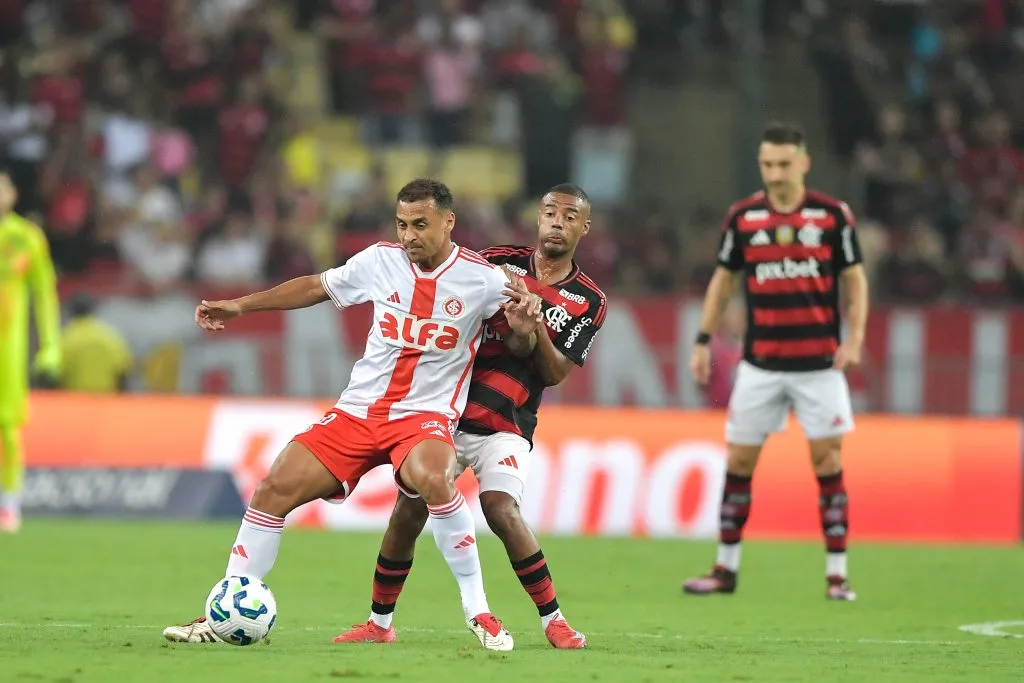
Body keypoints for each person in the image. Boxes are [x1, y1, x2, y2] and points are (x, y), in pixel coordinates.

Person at [162, 178, 538, 650]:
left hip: (423, 418)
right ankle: (224, 614)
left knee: (437, 481)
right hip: (358, 411)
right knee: (272, 488)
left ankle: (478, 610)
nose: (409, 236)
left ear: (449, 222)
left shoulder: (484, 280)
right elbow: (315, 287)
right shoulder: (379, 261)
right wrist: (241, 305)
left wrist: (525, 331)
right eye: (402, 224)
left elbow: (522, 341)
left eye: (420, 225)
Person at [334, 183, 607, 649]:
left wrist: (534, 326)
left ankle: (554, 621)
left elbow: (555, 370)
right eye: (549, 212)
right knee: (408, 510)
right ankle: (379, 624)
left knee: (500, 509)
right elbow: (452, 301)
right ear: (538, 218)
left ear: (584, 226)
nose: (557, 222)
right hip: (447, 412)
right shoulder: (495, 262)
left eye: (568, 216)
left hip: (509, 422)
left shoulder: (588, 299)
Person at [683, 123, 868, 601]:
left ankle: (837, 575)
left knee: (827, 461)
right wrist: (702, 340)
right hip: (761, 365)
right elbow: (722, 282)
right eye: (768, 164)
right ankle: (724, 570)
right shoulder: (743, 218)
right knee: (739, 461)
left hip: (819, 365)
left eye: (784, 163)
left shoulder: (832, 216)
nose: (776, 173)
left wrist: (855, 337)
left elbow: (854, 279)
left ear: (803, 163)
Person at [0, 168, 62, 534]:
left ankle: (9, 503)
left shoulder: (27, 238)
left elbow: (44, 294)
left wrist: (51, 346)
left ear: (13, 194)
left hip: (8, 349)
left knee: (7, 427)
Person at [60, 294, 134, 393]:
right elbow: (123, 372)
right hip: (108, 401)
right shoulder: (110, 336)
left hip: (75, 401)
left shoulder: (66, 338)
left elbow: (56, 373)